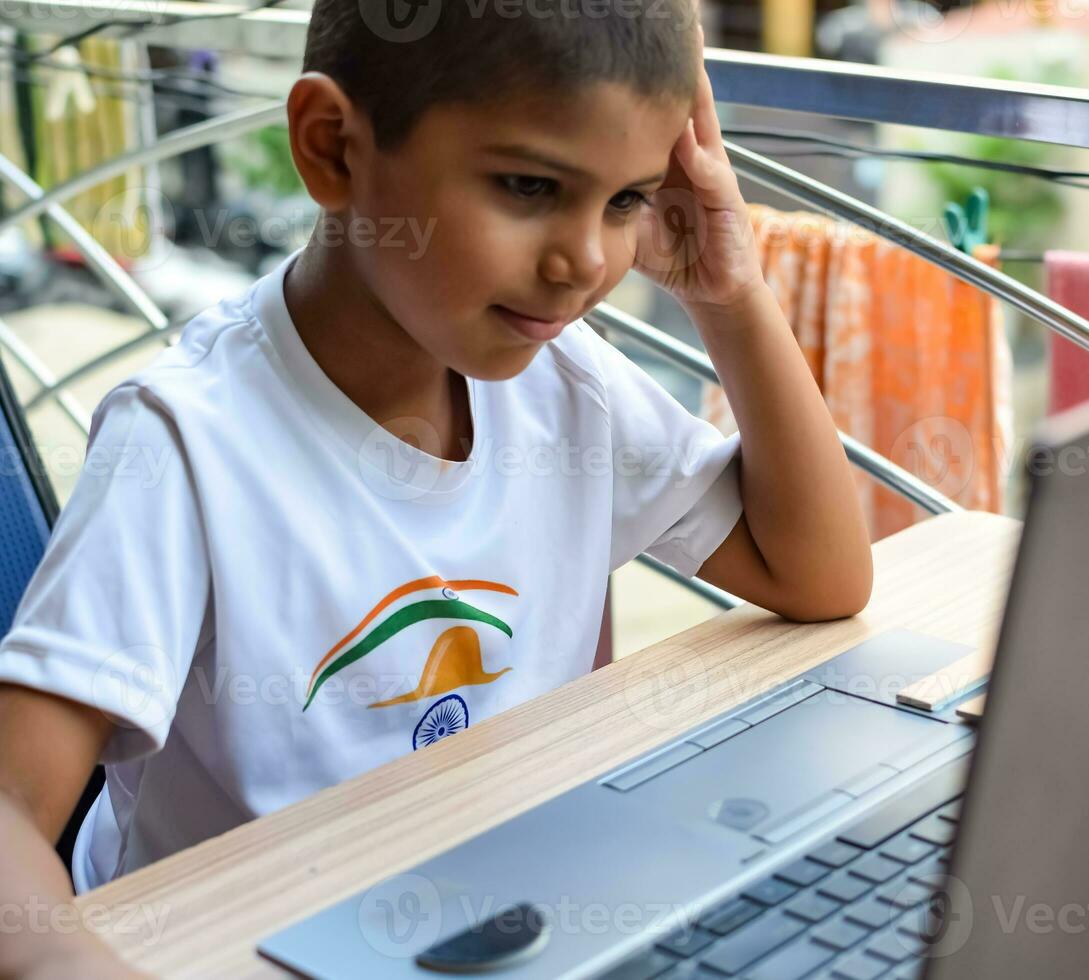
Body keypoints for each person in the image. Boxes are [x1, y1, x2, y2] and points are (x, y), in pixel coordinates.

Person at [0, 0, 873, 974]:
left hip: (520, 910)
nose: (584, 260)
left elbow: (820, 575)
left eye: (626, 199)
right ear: (332, 148)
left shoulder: (568, 384)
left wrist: (731, 296)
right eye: (529, 186)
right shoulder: (185, 441)